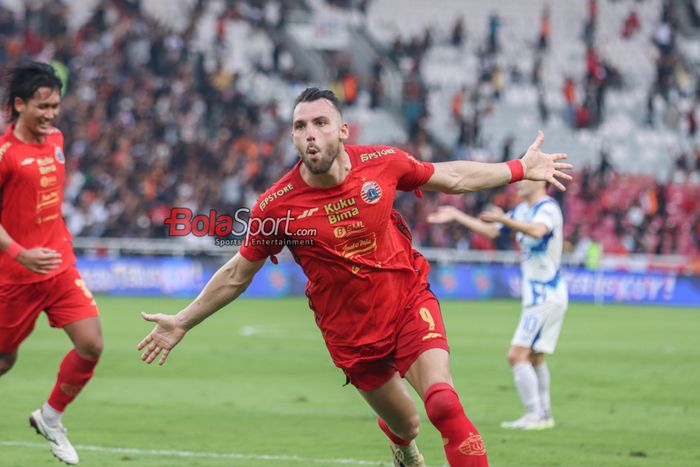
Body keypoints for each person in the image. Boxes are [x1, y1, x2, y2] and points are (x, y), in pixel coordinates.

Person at [138, 88, 571, 466]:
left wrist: (517, 167)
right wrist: (182, 320)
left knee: (442, 404)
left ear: (343, 130)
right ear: (292, 137)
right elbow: (237, 273)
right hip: (352, 336)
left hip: (407, 301)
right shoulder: (276, 206)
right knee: (408, 422)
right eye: (300, 126)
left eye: (321, 122)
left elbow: (453, 177)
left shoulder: (383, 163)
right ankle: (402, 446)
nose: (310, 133)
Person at [0, 61, 103, 465]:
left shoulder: (57, 139)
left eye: (55, 106)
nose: (50, 115)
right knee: (5, 360)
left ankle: (50, 417)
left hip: (59, 268)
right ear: (19, 105)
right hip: (15, 278)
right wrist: (20, 252)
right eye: (42, 107)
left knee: (92, 344)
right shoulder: (6, 155)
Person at [427, 179, 568, 431]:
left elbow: (537, 231)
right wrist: (458, 215)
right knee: (534, 357)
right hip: (539, 295)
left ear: (540, 183)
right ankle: (544, 414)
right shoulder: (522, 210)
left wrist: (505, 220)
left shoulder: (548, 208)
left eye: (525, 180)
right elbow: (493, 231)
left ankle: (535, 414)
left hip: (546, 294)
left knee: (516, 355)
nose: (519, 185)